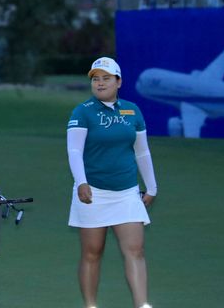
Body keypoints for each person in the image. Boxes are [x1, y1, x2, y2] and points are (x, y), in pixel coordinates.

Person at [66, 57, 158, 308]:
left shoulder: (132, 111)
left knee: (136, 250)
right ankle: (91, 305)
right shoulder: (82, 112)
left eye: (106, 78)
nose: (100, 83)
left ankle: (142, 304)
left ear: (119, 82)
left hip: (127, 192)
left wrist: (151, 187)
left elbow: (142, 151)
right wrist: (81, 182)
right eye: (96, 79)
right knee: (92, 253)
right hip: (93, 193)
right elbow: (74, 151)